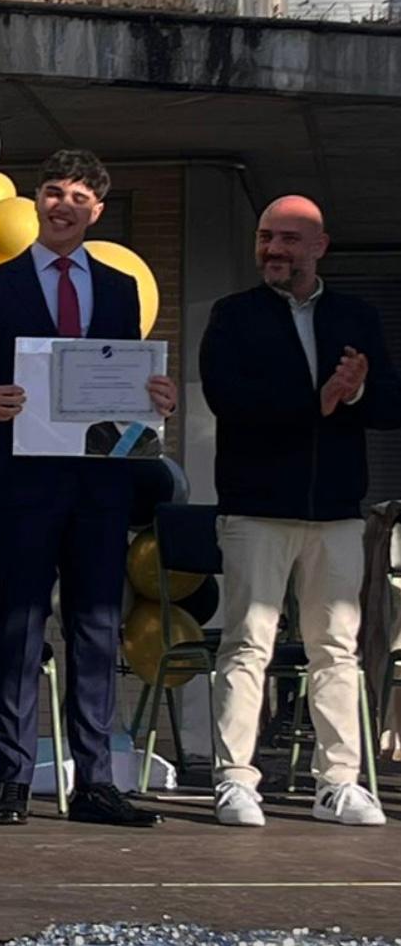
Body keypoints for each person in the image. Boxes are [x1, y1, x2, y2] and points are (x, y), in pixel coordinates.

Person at [0, 149, 176, 827]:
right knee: (18, 627)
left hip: (100, 483)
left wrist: (154, 398)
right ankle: (12, 779)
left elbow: (124, 383)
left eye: (78, 195)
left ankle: (95, 781)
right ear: (36, 200)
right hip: (23, 482)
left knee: (96, 629)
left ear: (95, 210)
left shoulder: (119, 289)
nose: (62, 204)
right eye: (52, 191)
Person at [200, 195, 401, 827]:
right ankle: (235, 779)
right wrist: (318, 401)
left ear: (320, 246)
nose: (274, 250)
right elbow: (228, 398)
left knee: (335, 650)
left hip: (338, 511)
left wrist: (359, 389)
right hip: (256, 509)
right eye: (265, 237)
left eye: (289, 239)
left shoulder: (356, 316)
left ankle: (338, 782)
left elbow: (390, 405)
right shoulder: (233, 316)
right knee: (246, 646)